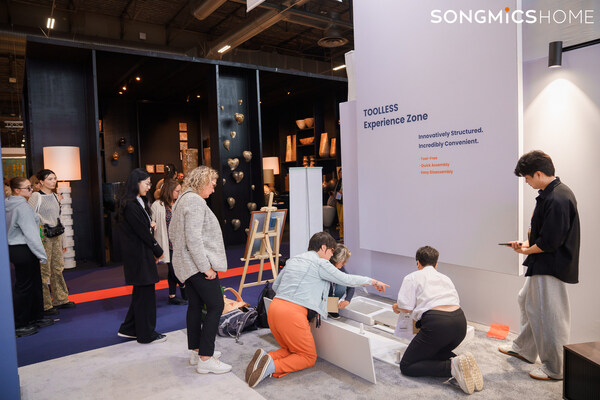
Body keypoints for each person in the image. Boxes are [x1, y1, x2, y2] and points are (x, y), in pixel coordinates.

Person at [245, 232, 389, 388]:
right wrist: (372, 281)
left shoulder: (294, 259)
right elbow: (346, 279)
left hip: (274, 307)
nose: (331, 255)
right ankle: (271, 367)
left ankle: (266, 357)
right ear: (324, 248)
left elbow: (276, 286)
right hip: (292, 313)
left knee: (291, 349)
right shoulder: (321, 263)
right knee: (308, 357)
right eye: (331, 251)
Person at [499, 150, 580, 381]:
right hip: (543, 262)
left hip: (551, 266)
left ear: (538, 173)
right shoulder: (551, 194)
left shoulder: (558, 198)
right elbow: (544, 236)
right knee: (526, 301)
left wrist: (526, 250)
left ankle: (555, 368)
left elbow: (550, 242)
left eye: (527, 177)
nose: (526, 182)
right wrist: (525, 244)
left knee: (550, 316)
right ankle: (524, 349)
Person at [392, 246, 483, 395]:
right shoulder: (445, 278)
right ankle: (462, 362)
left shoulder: (412, 277)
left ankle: (452, 368)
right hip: (460, 324)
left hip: (438, 325)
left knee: (407, 366)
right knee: (433, 351)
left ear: (418, 263)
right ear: (436, 264)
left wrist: (396, 307)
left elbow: (406, 308)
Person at [170, 166, 231, 374]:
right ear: (203, 182)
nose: (213, 190)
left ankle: (197, 352)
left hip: (185, 265)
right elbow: (194, 239)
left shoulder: (182, 199)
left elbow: (173, 234)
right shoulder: (195, 201)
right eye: (212, 185)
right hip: (196, 265)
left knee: (195, 306)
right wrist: (206, 267)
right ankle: (206, 357)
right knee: (216, 305)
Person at [117, 168, 166, 344]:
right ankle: (146, 334)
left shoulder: (139, 201)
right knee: (145, 294)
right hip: (138, 255)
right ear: (136, 183)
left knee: (141, 293)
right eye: (146, 183)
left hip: (141, 253)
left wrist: (149, 225)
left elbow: (142, 227)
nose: (149, 187)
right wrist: (158, 250)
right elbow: (141, 232)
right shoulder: (130, 205)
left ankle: (129, 329)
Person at [6, 177, 54, 337]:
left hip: (15, 249)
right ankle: (20, 324)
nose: (31, 190)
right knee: (25, 286)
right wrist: (42, 254)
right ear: (17, 190)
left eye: (30, 187)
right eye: (28, 188)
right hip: (24, 248)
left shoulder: (8, 204)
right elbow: (31, 234)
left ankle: (34, 317)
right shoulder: (22, 207)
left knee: (31, 284)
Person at [28, 169, 75, 316]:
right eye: (49, 179)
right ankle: (45, 304)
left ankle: (60, 299)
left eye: (54, 178)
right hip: (43, 236)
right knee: (44, 271)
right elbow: (30, 218)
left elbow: (59, 219)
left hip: (56, 235)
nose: (53, 181)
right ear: (41, 181)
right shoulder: (36, 196)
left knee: (58, 267)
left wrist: (64, 242)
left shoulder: (55, 196)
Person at [151, 179, 187, 305]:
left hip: (179, 244)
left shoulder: (179, 204)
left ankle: (172, 296)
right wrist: (152, 223)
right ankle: (184, 289)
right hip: (167, 244)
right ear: (169, 191)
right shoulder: (157, 205)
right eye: (177, 191)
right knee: (174, 270)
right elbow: (151, 221)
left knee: (174, 270)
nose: (179, 193)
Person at [327, 244, 356, 319]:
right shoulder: (325, 266)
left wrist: (347, 300)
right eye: (343, 261)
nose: (345, 264)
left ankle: (330, 308)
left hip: (329, 295)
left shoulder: (341, 268)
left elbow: (351, 284)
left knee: (342, 286)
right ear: (337, 259)